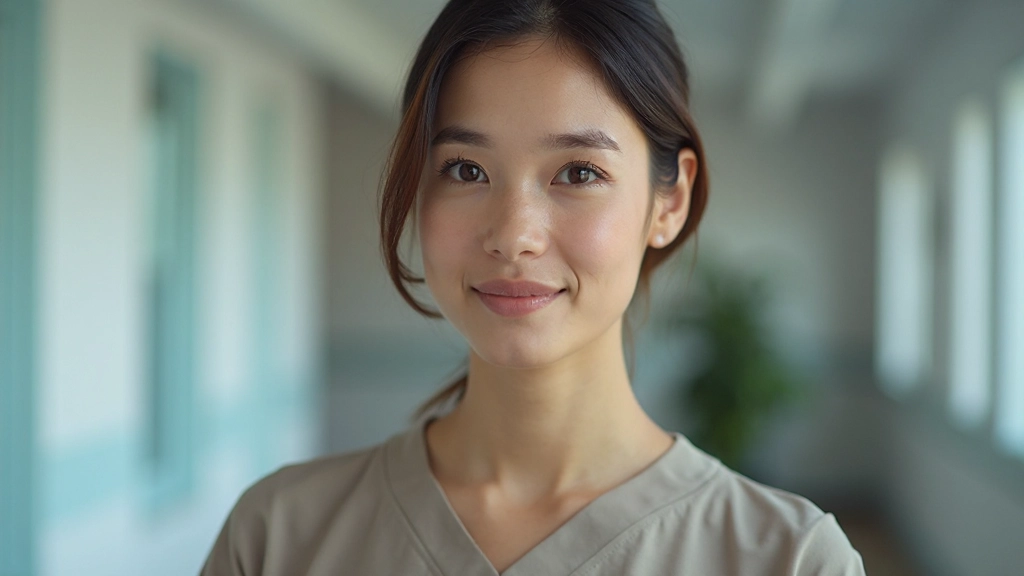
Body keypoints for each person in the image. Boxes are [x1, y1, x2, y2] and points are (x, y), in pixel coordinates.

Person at [200, 0, 867, 574]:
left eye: (578, 173)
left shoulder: (789, 560)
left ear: (670, 201)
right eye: (465, 169)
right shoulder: (279, 538)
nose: (514, 235)